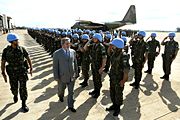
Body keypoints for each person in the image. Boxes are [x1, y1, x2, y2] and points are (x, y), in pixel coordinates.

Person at [1, 33, 33, 112]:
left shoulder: (22, 49)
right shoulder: (6, 51)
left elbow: (28, 58)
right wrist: (3, 72)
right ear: (11, 42)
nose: (18, 41)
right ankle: (15, 95)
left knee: (23, 88)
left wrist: (31, 67)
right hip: (12, 72)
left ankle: (23, 103)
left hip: (22, 71)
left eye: (17, 40)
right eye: (16, 40)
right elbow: (3, 62)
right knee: (14, 87)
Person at [53, 37, 79, 112]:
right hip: (62, 77)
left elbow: (75, 63)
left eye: (69, 43)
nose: (69, 45)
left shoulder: (73, 52)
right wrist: (56, 77)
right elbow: (55, 66)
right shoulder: (57, 53)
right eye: (67, 43)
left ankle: (70, 106)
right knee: (61, 90)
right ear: (62, 44)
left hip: (72, 76)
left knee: (71, 92)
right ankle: (60, 96)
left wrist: (76, 73)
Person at [106, 38, 130, 116]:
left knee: (118, 94)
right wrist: (110, 46)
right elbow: (109, 53)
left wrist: (123, 81)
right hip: (113, 77)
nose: (112, 46)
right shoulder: (114, 53)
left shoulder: (124, 55)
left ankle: (117, 108)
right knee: (112, 92)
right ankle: (114, 105)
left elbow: (126, 71)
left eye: (113, 45)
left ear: (118, 46)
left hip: (119, 78)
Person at [84, 33, 107, 98]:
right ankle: (95, 90)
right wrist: (89, 40)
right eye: (93, 38)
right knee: (94, 79)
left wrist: (102, 67)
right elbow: (85, 48)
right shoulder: (93, 45)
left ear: (98, 39)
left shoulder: (101, 46)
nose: (94, 39)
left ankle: (98, 92)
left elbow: (104, 58)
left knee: (98, 80)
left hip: (98, 66)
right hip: (93, 65)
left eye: (95, 38)